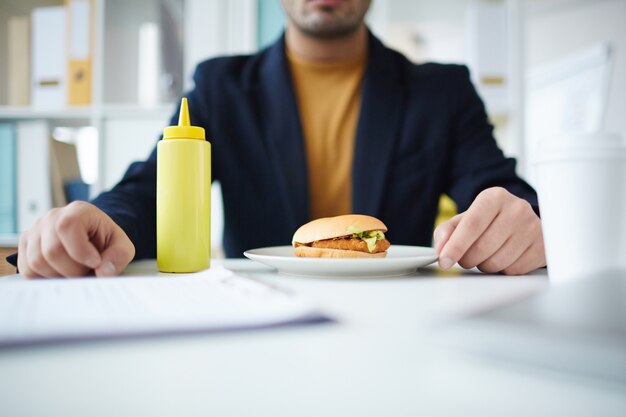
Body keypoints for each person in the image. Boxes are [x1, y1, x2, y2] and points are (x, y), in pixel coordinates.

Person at [16, 0, 546, 278]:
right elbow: (150, 191)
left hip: (405, 327)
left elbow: (504, 193)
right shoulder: (222, 86)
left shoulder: (442, 91)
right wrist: (101, 219)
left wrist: (527, 219)